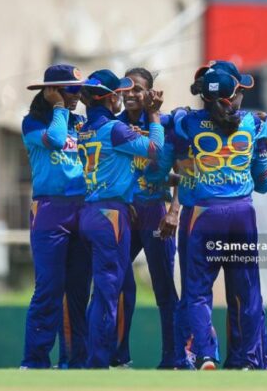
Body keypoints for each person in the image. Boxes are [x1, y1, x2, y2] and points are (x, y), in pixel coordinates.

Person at [175, 66, 267, 370]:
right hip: (241, 215)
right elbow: (264, 184)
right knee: (246, 291)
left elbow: (171, 128)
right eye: (240, 91)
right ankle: (246, 360)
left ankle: (205, 354)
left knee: (197, 291)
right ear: (233, 96)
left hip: (203, 214)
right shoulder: (252, 124)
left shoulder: (187, 122)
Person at [77, 69, 164, 368]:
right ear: (110, 98)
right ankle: (98, 361)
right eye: (119, 93)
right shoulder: (114, 129)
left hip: (90, 212)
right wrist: (154, 115)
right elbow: (154, 149)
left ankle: (94, 356)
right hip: (110, 215)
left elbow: (118, 165)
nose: (123, 98)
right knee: (108, 294)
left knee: (102, 292)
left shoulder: (85, 128)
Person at [21, 64, 91, 369]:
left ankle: (74, 362)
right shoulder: (32, 123)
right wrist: (60, 108)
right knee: (49, 289)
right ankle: (34, 361)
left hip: (83, 208)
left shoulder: (81, 122)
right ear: (51, 91)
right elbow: (57, 140)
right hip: (50, 211)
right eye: (70, 90)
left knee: (78, 291)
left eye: (78, 90)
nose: (76, 95)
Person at [111, 67, 179, 369]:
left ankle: (174, 358)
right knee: (117, 284)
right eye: (126, 89)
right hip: (125, 213)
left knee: (164, 289)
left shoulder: (165, 124)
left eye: (137, 89)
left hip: (155, 213)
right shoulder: (114, 126)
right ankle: (118, 357)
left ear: (150, 92)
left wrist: (174, 210)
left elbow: (186, 171)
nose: (131, 94)